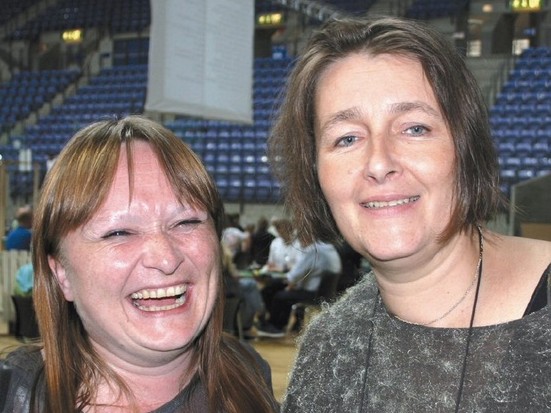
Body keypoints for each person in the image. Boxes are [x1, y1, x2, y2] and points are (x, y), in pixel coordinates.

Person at [268, 16, 551, 412]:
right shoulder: (327, 348)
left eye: (414, 128)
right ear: (315, 172)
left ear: (466, 149)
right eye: (347, 138)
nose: (379, 163)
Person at [0, 116, 278, 412]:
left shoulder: (249, 375)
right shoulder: (12, 395)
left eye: (186, 222)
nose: (166, 258)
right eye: (118, 232)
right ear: (61, 274)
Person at [257, 240, 342, 338]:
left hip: (312, 294)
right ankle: (284, 324)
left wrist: (290, 283)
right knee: (279, 289)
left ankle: (276, 327)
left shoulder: (314, 250)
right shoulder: (329, 248)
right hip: (325, 293)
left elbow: (293, 276)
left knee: (277, 295)